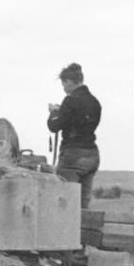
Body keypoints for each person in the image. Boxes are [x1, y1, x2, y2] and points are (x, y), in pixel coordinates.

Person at [47, 62, 102, 209]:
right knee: (83, 206)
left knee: (66, 206)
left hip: (73, 157)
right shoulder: (95, 102)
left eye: (64, 84)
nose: (64, 88)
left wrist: (54, 113)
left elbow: (54, 126)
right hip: (92, 155)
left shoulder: (70, 100)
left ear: (69, 82)